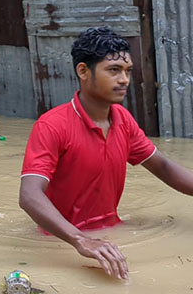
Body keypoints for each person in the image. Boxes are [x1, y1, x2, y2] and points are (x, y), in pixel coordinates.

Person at [19, 27, 193, 281]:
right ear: (83, 71)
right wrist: (80, 240)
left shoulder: (122, 119)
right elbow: (29, 195)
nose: (124, 79)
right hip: (60, 243)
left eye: (127, 71)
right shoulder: (52, 126)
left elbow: (163, 167)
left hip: (112, 232)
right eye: (113, 70)